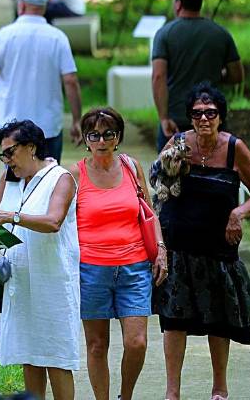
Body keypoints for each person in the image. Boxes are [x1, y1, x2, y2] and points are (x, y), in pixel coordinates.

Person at [151, 83, 250, 400]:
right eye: (197, 113)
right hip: (180, 247)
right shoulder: (177, 143)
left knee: (219, 319)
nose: (204, 119)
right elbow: (156, 188)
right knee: (174, 320)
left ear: (221, 116)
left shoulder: (233, 148)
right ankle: (172, 392)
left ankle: (219, 388)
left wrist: (238, 213)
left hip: (218, 247)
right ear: (190, 117)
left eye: (211, 113)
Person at [0, 120, 81, 399]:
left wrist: (11, 217)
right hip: (20, 279)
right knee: (29, 354)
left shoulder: (60, 177)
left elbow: (53, 221)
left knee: (56, 358)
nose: (7, 160)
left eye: (10, 152)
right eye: (3, 155)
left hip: (53, 280)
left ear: (31, 147)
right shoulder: (9, 178)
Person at [73, 110, 155, 400]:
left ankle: (125, 395)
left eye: (109, 134)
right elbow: (59, 219)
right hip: (92, 269)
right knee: (97, 345)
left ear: (118, 137)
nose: (102, 140)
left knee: (137, 342)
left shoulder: (132, 166)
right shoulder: (74, 174)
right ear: (86, 140)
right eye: (94, 134)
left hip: (134, 267)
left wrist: (162, 251)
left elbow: (149, 212)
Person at [0, 0, 84, 160]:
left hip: (11, 125)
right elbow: (71, 80)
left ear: (21, 6)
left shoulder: (6, 35)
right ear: (44, 8)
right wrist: (76, 120)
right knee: (50, 181)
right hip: (48, 126)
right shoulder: (58, 37)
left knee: (14, 180)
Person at [151, 0, 243, 149]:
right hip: (211, 118)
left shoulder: (165, 33)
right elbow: (237, 75)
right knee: (213, 168)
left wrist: (164, 118)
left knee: (172, 170)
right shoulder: (220, 33)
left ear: (178, 4)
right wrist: (215, 76)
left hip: (177, 121)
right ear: (200, 3)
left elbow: (159, 76)